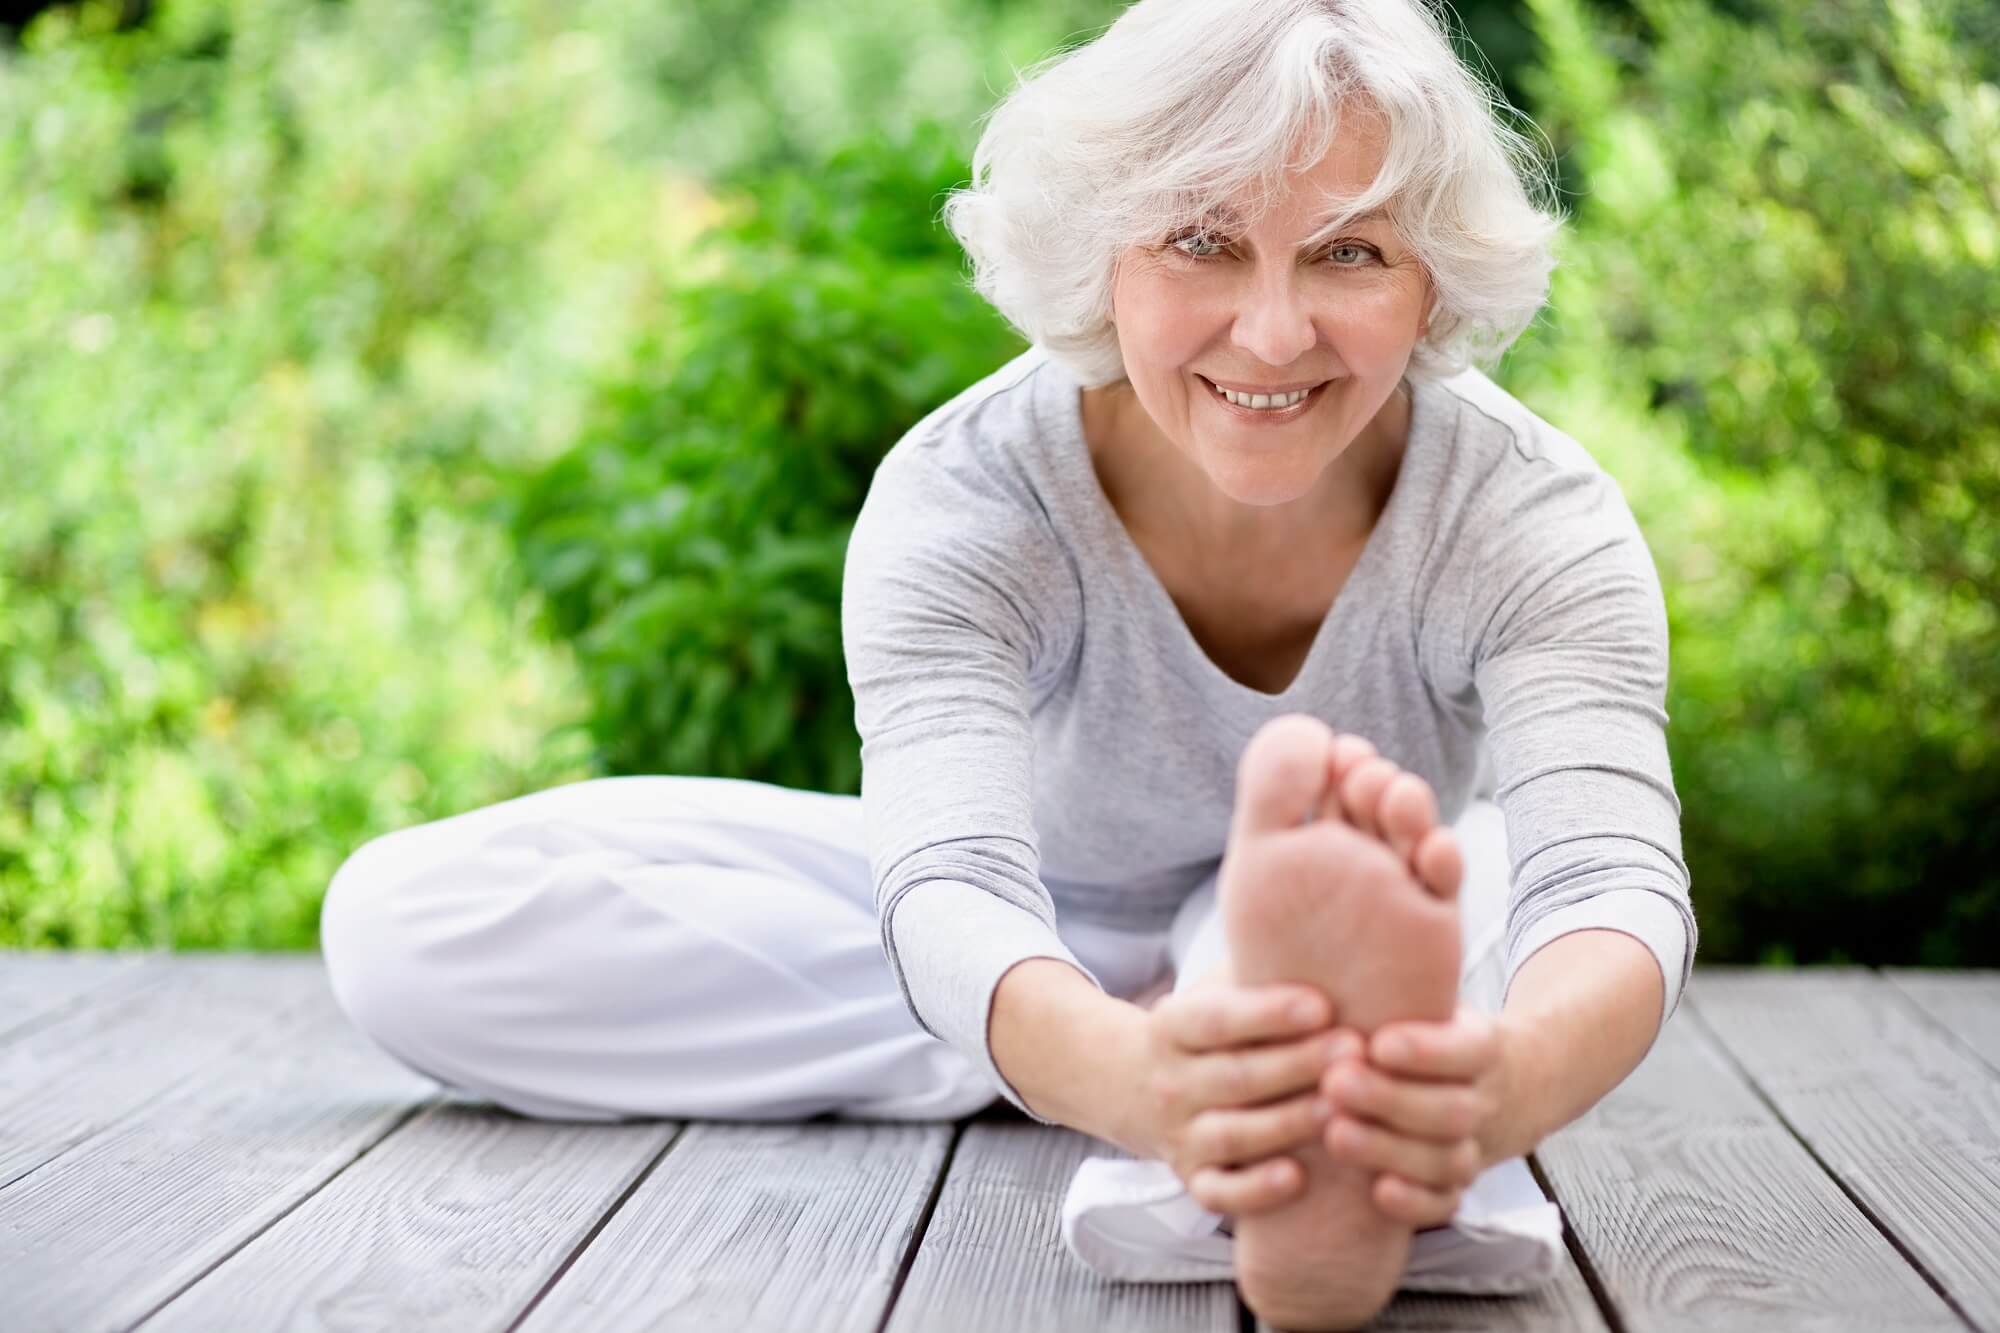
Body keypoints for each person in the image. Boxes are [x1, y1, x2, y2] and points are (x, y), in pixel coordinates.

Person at [318, 1, 1696, 1327]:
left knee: (1501, 873)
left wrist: (1507, 1079)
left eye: (1349, 254)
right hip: (1047, 909)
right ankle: (1234, 1075)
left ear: (1433, 276)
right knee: (403, 921)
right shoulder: (967, 498)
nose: (1274, 333)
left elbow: (1614, 880)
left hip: (1406, 892)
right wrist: (1126, 1065)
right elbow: (953, 875)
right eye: (1203, 242)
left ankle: (1281, 1071)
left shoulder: (1531, 517)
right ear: (1100, 253)